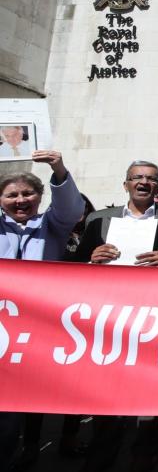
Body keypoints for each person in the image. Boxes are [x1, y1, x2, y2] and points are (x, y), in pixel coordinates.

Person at [73, 161, 158, 472]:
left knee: (152, 391)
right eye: (137, 178)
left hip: (157, 319)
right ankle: (103, 453)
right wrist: (91, 259)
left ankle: (146, 450)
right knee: (107, 392)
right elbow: (73, 272)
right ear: (125, 183)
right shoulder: (99, 220)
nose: (144, 182)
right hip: (110, 320)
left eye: (151, 179)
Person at [0, 150, 85, 471]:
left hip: (33, 331)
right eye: (12, 195)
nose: (21, 199)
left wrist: (58, 168)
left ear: (39, 197)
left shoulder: (50, 225)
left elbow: (71, 208)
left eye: (28, 193)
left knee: (11, 407)